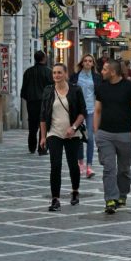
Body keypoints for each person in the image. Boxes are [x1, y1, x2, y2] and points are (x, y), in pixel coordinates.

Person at [94, 60, 131, 215]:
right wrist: (97, 132)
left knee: (124, 169)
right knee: (109, 168)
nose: (102, 71)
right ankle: (110, 199)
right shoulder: (101, 88)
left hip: (124, 134)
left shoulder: (130, 88)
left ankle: (122, 194)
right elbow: (97, 111)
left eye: (104, 69)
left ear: (113, 72)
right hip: (105, 134)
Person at [38, 63, 87, 212]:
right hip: (54, 133)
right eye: (54, 73)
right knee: (55, 165)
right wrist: (43, 136)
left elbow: (82, 112)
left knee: (73, 164)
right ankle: (55, 199)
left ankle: (75, 191)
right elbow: (43, 115)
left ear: (66, 74)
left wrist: (73, 128)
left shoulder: (75, 90)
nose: (56, 75)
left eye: (59, 72)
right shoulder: (48, 91)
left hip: (72, 134)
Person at [74, 54, 102, 178]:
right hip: (78, 111)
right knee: (79, 136)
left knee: (90, 137)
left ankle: (89, 166)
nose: (87, 63)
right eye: (85, 61)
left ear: (93, 64)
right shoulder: (75, 77)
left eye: (90, 61)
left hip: (91, 110)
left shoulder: (96, 77)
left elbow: (100, 94)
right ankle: (81, 163)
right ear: (82, 63)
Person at [20, 51, 52, 154]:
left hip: (31, 102)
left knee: (32, 125)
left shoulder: (28, 72)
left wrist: (28, 98)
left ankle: (31, 146)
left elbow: (23, 89)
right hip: (44, 102)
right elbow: (52, 88)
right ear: (43, 58)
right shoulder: (48, 72)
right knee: (44, 124)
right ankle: (42, 148)